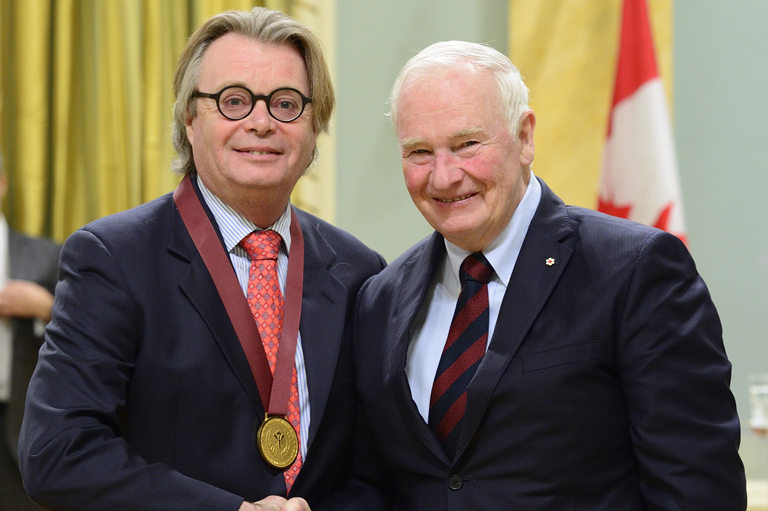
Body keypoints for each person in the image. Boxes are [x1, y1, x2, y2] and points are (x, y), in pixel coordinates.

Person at [354, 41, 747, 510]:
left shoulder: (634, 269)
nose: (443, 177)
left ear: (524, 138)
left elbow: (697, 491)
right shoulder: (380, 298)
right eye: (419, 151)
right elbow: (373, 482)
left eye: (466, 144)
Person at [19, 8, 385, 511]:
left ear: (314, 124)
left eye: (285, 103)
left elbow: (375, 466)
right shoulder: (112, 258)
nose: (261, 122)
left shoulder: (360, 272)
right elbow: (57, 452)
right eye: (234, 101)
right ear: (190, 119)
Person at [0, 157, 60, 511]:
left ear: (3, 184)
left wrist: (44, 307)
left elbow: (88, 337)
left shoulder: (46, 256)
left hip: (20, 423)